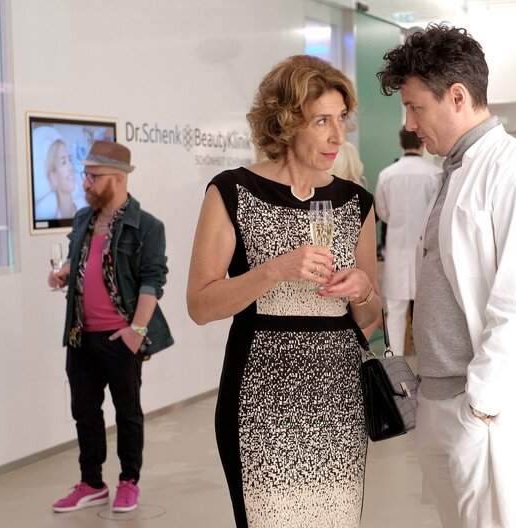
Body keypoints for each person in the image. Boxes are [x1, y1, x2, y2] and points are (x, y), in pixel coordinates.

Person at [378, 23, 516, 528]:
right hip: (439, 399)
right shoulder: (454, 170)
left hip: (481, 411)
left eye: (416, 107)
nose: (410, 124)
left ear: (458, 97)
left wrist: (480, 406)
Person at [186, 55, 381, 528]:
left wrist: (362, 291)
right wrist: (273, 271)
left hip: (339, 396)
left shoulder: (357, 202)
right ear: (287, 122)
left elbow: (370, 318)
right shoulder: (232, 191)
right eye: (322, 121)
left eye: (341, 119)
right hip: (261, 396)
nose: (338, 136)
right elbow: (200, 305)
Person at [47, 140, 173, 513]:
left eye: (93, 176)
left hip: (121, 337)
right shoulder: (83, 219)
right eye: (84, 174)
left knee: (127, 414)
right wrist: (62, 273)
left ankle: (128, 481)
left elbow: (152, 282)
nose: (85, 182)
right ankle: (92, 483)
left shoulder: (147, 226)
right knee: (84, 413)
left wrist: (137, 331)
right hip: (80, 335)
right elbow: (78, 258)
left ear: (117, 178)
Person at [375, 127, 439, 355]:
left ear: (401, 144)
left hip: (396, 249)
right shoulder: (434, 174)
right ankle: (429, 363)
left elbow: (382, 212)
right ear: (422, 143)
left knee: (395, 312)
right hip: (426, 250)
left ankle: (394, 366)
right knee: (429, 312)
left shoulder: (387, 174)